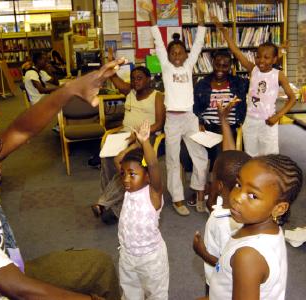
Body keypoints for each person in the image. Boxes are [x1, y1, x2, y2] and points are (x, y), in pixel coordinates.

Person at [0, 59, 126, 300]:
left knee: (98, 265)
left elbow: (22, 130)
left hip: (8, 269)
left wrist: (70, 89)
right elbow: (18, 290)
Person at [202, 154, 303, 300]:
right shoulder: (270, 228)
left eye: (253, 196)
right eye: (238, 185)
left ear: (279, 208)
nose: (237, 197)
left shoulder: (248, 257)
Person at [142, 0, 209, 216]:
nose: (177, 56)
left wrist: (200, 17)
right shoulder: (166, 67)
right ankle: (178, 199)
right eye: (174, 54)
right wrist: (152, 15)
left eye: (181, 53)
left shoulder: (189, 65)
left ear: (186, 55)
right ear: (168, 57)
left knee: (200, 156)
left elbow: (198, 43)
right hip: (172, 120)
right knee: (172, 160)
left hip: (189, 118)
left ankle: (199, 193)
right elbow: (159, 42)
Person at [91, 64, 165, 222]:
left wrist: (139, 135)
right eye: (133, 79)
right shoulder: (130, 91)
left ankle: (104, 203)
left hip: (144, 137)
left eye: (140, 78)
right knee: (106, 158)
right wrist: (110, 69)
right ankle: (114, 204)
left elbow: (159, 124)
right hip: (123, 135)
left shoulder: (157, 96)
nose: (136, 82)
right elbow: (116, 79)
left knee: (124, 162)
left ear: (148, 80)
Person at [213, 17, 296, 157]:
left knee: (270, 158)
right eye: (258, 57)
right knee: (251, 156)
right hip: (250, 121)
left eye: (266, 57)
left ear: (275, 59)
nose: (261, 60)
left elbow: (292, 98)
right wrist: (224, 31)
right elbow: (236, 52)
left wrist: (277, 116)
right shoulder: (253, 69)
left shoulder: (278, 75)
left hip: (268, 122)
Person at [117, 120, 169, 300]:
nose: (125, 179)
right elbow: (121, 161)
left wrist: (145, 141)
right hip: (127, 255)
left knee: (156, 294)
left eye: (132, 175)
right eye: (123, 174)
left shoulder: (153, 193)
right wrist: (133, 144)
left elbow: (153, 165)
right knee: (130, 292)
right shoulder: (129, 191)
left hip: (151, 259)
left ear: (147, 177)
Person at [192, 150, 250, 295]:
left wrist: (202, 252)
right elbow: (213, 207)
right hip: (217, 279)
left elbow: (226, 265)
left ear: (219, 186)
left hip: (221, 283)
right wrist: (212, 194)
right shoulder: (228, 204)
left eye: (212, 177)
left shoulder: (225, 225)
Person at [193, 51, 248, 169]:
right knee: (187, 150)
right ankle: (203, 182)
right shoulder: (202, 84)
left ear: (231, 66)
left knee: (220, 153)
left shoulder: (239, 83)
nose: (220, 69)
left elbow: (258, 75)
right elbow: (195, 108)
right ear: (213, 63)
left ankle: (217, 181)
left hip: (229, 128)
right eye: (218, 65)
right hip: (207, 129)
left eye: (225, 66)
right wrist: (200, 122)